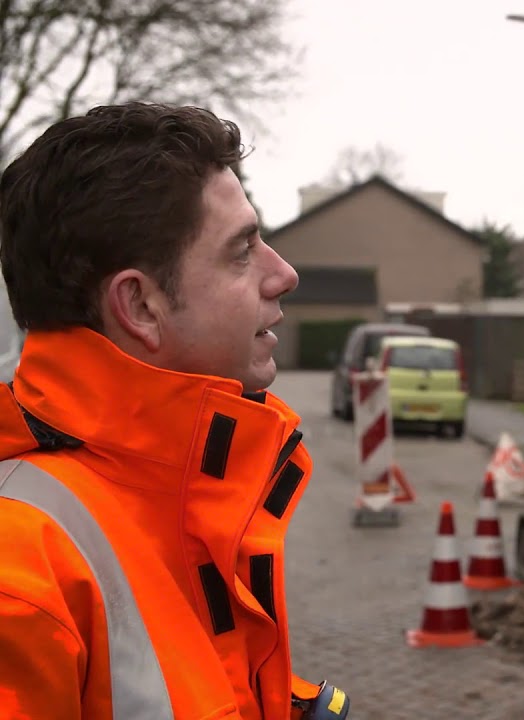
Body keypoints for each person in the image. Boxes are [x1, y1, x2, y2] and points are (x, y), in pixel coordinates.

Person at [0, 103, 348, 718]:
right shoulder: (20, 572)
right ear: (140, 306)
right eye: (242, 251)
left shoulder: (183, 492)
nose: (284, 274)